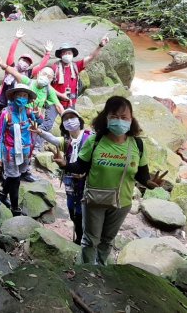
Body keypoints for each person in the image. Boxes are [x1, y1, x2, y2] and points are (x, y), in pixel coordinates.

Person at [57, 96, 167, 265]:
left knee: (107, 240)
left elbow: (141, 175)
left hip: (121, 203)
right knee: (89, 240)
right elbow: (80, 166)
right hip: (94, 200)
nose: (119, 121)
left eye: (124, 117)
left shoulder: (137, 145)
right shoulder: (95, 141)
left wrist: (150, 183)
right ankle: (87, 272)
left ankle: (101, 271)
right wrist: (65, 164)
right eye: (114, 116)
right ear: (106, 117)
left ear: (131, 120)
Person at [34, 109, 93, 244]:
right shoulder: (66, 141)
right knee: (72, 209)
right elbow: (53, 139)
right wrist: (40, 132)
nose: (69, 121)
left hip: (86, 181)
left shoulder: (89, 138)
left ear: (79, 120)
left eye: (72, 117)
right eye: (66, 119)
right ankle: (80, 234)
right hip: (70, 181)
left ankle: (82, 238)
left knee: (81, 211)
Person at [0, 59, 65, 153]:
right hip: (18, 114)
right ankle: (5, 154)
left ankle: (28, 157)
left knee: (29, 140)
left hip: (33, 119)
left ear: (51, 80)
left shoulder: (49, 90)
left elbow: (58, 105)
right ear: (39, 73)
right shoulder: (29, 82)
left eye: (49, 77)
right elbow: (15, 73)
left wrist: (67, 118)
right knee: (12, 137)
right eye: (44, 74)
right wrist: (3, 65)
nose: (45, 77)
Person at [0, 84, 42, 216]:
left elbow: (39, 121)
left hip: (26, 151)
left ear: (28, 99)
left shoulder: (28, 112)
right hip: (10, 152)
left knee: (14, 175)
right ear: (14, 96)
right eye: (19, 95)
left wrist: (38, 115)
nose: (22, 98)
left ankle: (2, 195)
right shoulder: (6, 113)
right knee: (15, 178)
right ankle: (15, 208)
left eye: (25, 96)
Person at [0, 28, 53, 117]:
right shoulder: (11, 67)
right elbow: (11, 54)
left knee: (8, 123)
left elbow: (41, 66)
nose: (25, 62)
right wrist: (17, 39)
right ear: (19, 60)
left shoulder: (28, 73)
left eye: (28, 62)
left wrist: (47, 53)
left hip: (14, 103)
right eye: (24, 60)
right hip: (0, 100)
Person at [51, 35, 109, 108]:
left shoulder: (76, 66)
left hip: (71, 103)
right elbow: (47, 86)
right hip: (55, 103)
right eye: (64, 53)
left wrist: (100, 46)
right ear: (60, 55)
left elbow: (91, 57)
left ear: (72, 55)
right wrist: (60, 95)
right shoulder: (54, 68)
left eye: (69, 53)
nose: (67, 55)